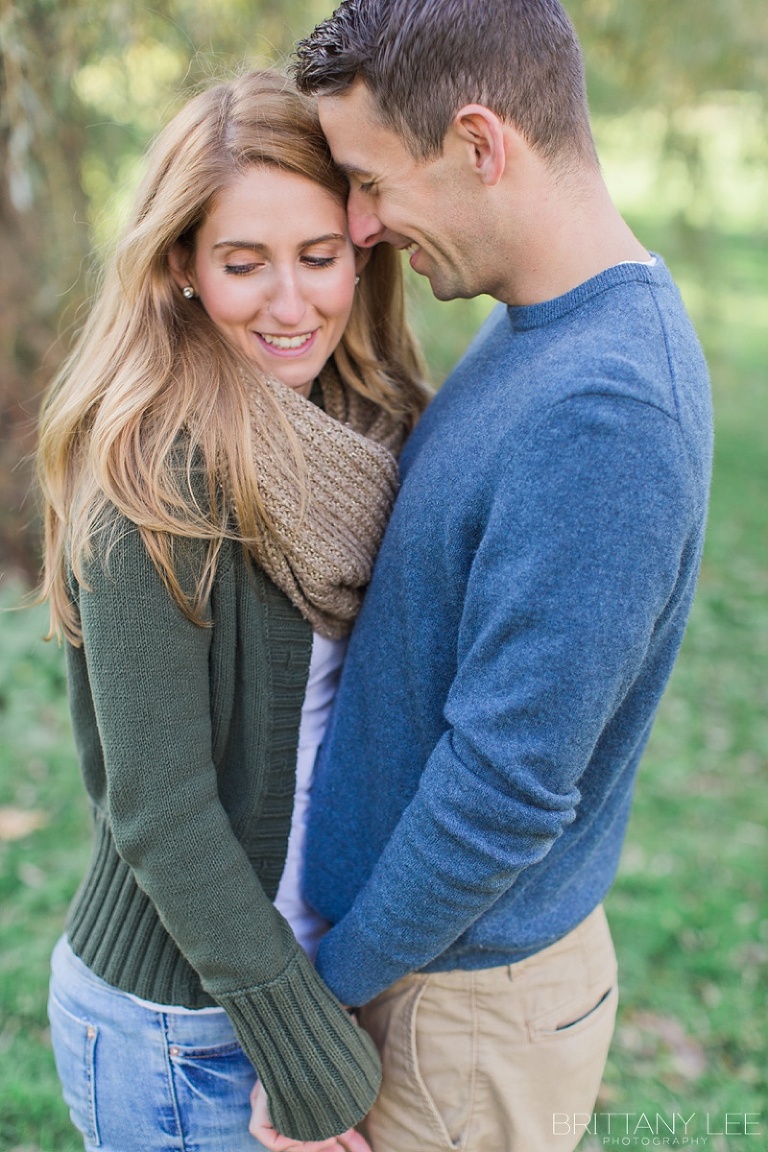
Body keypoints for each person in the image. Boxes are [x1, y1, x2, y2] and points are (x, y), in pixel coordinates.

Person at [279, 3, 714, 1150]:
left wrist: (324, 1004)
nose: (362, 226)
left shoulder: (604, 412)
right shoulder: (536, 327)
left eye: (372, 182)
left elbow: (507, 788)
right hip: (426, 973)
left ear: (480, 144)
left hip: (455, 1011)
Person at [36, 67, 427, 1152]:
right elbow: (160, 811)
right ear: (181, 268)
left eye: (319, 257)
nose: (290, 303)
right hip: (187, 1026)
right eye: (243, 263)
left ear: (365, 248)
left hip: (312, 978)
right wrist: (300, 1046)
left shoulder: (367, 429)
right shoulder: (155, 473)